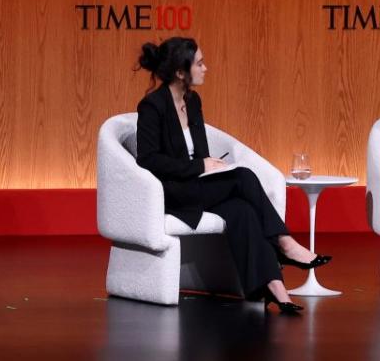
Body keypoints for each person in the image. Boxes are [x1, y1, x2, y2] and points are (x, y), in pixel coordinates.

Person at [134, 37, 330, 314]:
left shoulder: (193, 101)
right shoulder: (152, 106)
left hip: (198, 187)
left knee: (243, 211)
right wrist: (200, 167)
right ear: (180, 72)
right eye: (199, 63)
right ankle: (285, 242)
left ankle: (273, 287)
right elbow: (149, 159)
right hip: (173, 192)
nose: (206, 68)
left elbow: (198, 150)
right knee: (244, 178)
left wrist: (209, 167)